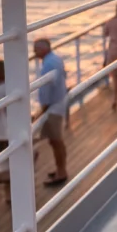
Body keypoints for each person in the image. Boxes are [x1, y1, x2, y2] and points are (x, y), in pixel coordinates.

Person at [35, 39, 68, 186]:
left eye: (36, 49)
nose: (34, 52)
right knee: (55, 141)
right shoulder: (56, 59)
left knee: (56, 141)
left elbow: (46, 88)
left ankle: (61, 172)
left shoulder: (47, 65)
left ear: (43, 49)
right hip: (59, 103)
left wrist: (43, 108)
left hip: (53, 107)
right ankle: (61, 169)